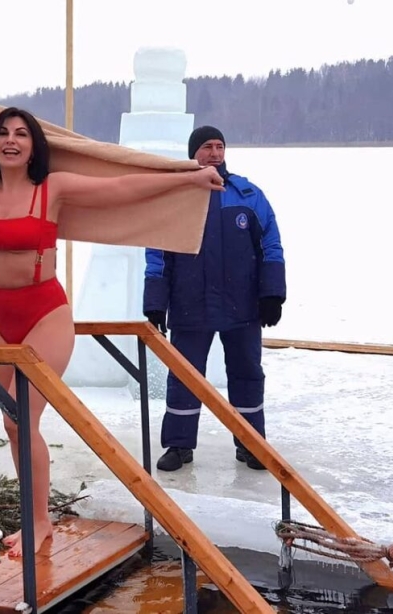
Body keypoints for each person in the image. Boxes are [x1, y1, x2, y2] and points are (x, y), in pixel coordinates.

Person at [0, 80, 225, 556]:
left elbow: (122, 187)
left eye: (21, 134)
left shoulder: (52, 188)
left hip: (45, 314)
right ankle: (36, 515)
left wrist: (188, 178)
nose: (10, 140)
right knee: (11, 423)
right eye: (3, 133)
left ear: (34, 146)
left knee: (21, 419)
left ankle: (39, 523)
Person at [143, 126, 286, 472]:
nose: (214, 153)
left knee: (247, 374)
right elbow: (158, 252)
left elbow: (270, 244)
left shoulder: (248, 195)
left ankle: (252, 445)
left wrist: (272, 293)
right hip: (190, 305)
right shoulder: (176, 198)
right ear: (193, 152)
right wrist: (155, 301)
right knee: (184, 376)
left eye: (219, 146)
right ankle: (179, 445)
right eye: (207, 147)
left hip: (243, 306)